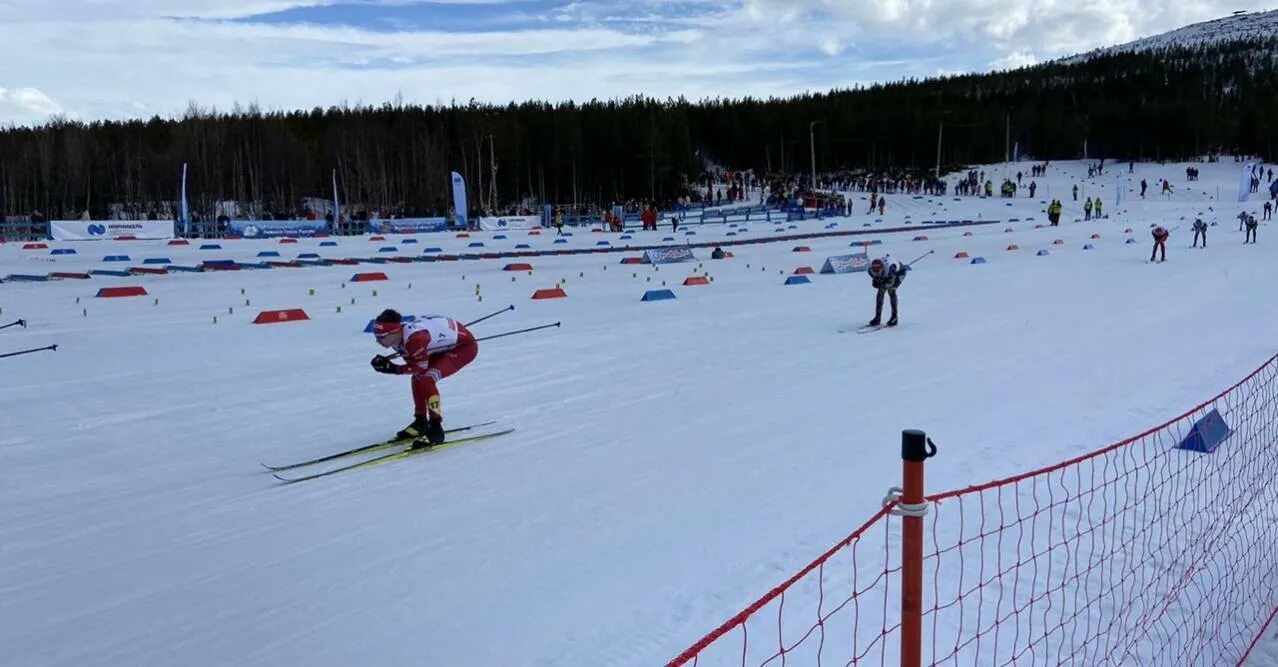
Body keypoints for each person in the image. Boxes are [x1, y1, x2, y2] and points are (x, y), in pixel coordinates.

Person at [370, 309, 479, 447]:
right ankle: (420, 422)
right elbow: (413, 365)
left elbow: (419, 367)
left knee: (427, 378)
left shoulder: (415, 338)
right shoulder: (397, 338)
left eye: (381, 336)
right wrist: (390, 366)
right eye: (376, 335)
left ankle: (436, 428)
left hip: (464, 347)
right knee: (417, 378)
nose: (377, 341)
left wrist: (393, 369)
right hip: (444, 344)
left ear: (394, 332)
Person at [866, 256, 908, 327]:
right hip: (887, 274)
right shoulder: (870, 271)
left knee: (891, 290)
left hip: (899, 273)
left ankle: (894, 317)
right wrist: (878, 281)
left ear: (882, 268)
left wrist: (881, 283)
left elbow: (889, 283)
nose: (876, 274)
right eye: (875, 272)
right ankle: (877, 317)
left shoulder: (891, 268)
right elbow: (876, 282)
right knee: (880, 292)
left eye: (878, 272)